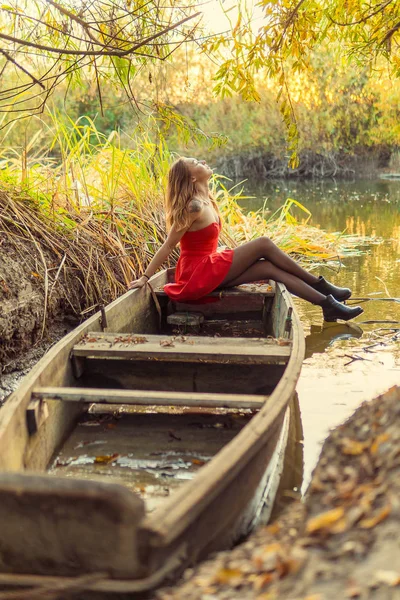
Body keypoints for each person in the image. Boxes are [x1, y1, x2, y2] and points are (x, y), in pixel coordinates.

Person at [128, 157, 363, 322]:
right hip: (197, 274)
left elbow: (201, 240)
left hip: (209, 268)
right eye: (196, 163)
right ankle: (320, 284)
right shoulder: (193, 206)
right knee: (264, 244)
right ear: (190, 178)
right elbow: (169, 245)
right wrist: (145, 277)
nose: (203, 162)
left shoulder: (206, 198)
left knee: (269, 269)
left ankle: (327, 305)